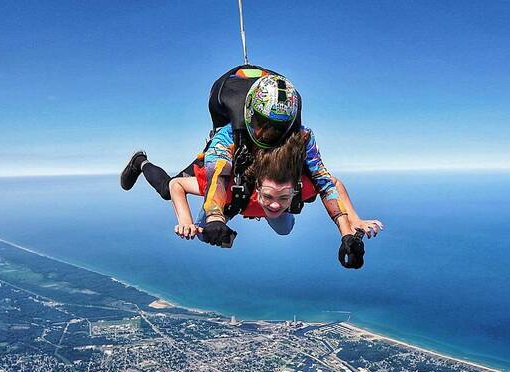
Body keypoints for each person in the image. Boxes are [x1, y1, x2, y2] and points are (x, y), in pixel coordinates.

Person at [121, 66, 382, 268]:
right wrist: (213, 218)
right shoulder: (230, 137)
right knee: (170, 192)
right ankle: (140, 162)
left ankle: (268, 198)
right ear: (248, 115)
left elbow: (327, 182)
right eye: (263, 124)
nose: (269, 134)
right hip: (234, 182)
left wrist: (349, 232)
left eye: (278, 128)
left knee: (283, 226)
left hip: (263, 183)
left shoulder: (300, 139)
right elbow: (217, 175)